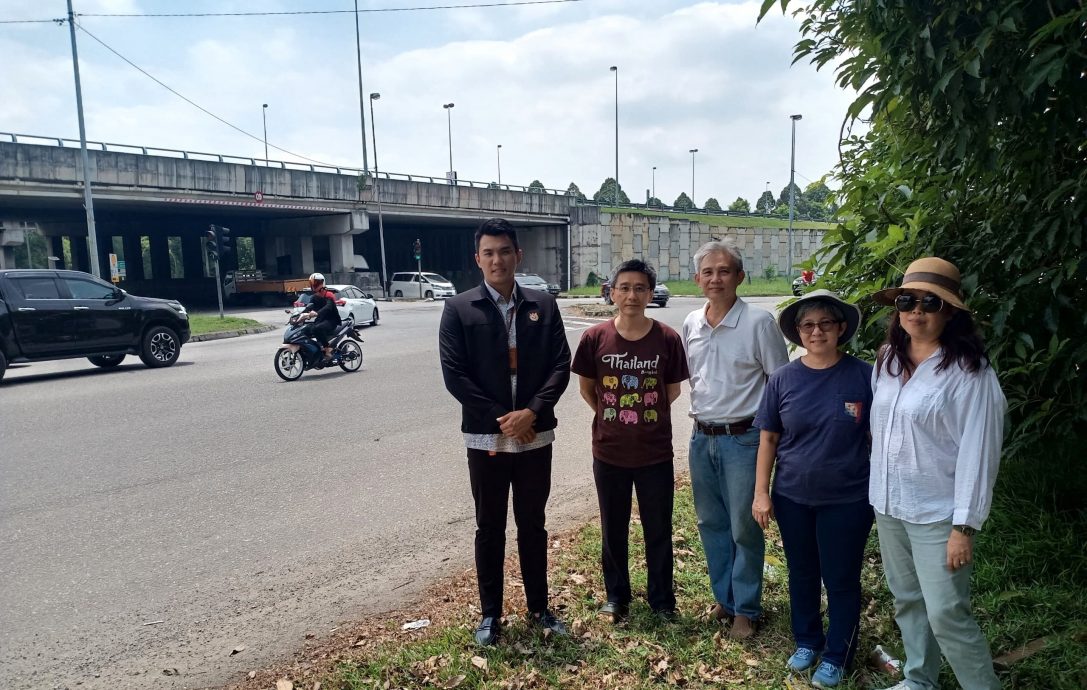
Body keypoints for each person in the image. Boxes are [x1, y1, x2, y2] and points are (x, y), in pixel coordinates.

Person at [868, 257, 1005, 690]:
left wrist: (964, 526)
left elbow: (979, 454)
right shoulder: (888, 359)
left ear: (951, 312)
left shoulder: (971, 373)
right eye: (907, 300)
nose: (917, 311)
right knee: (907, 600)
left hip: (939, 513)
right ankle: (918, 679)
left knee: (947, 612)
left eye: (932, 302)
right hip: (889, 505)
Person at [438, 217, 571, 647]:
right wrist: (505, 418)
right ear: (478, 259)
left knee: (533, 524)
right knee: (489, 526)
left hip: (535, 435)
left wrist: (531, 413)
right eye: (489, 253)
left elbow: (559, 365)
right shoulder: (459, 309)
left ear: (519, 255)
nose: (498, 260)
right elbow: (456, 376)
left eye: (505, 251)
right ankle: (491, 614)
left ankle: (539, 608)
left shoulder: (543, 305)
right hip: (487, 438)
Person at [751, 289, 873, 688]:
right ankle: (807, 640)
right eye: (808, 325)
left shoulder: (865, 376)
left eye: (825, 324)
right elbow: (768, 438)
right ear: (798, 333)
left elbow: (880, 437)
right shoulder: (784, 379)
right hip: (792, 497)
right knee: (802, 573)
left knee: (840, 578)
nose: (816, 331)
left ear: (840, 328)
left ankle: (838, 654)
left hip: (848, 498)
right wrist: (761, 492)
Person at [571, 259, 689, 623]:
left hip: (654, 452)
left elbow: (671, 391)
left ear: (650, 294)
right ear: (612, 293)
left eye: (640, 288)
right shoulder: (595, 338)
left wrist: (642, 417)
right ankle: (616, 597)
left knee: (659, 528)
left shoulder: (667, 338)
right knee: (613, 527)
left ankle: (662, 600)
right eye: (624, 287)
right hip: (609, 451)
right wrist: (614, 417)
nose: (632, 295)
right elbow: (588, 390)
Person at [682, 239, 789, 639]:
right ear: (697, 279)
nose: (716, 278)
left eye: (724, 271)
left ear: (739, 277)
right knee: (711, 522)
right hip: (701, 437)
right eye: (708, 272)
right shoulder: (692, 322)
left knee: (744, 526)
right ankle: (724, 600)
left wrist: (772, 441)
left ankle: (746, 607)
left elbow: (780, 386)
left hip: (745, 439)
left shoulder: (759, 323)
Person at [298, 272, 341, 363]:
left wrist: (317, 313)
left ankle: (327, 348)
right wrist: (299, 316)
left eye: (317, 282)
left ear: (322, 283)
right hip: (320, 320)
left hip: (331, 320)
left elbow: (328, 308)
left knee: (318, 328)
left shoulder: (329, 295)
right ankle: (312, 350)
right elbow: (308, 308)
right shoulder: (313, 297)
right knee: (305, 330)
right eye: (313, 283)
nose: (314, 285)